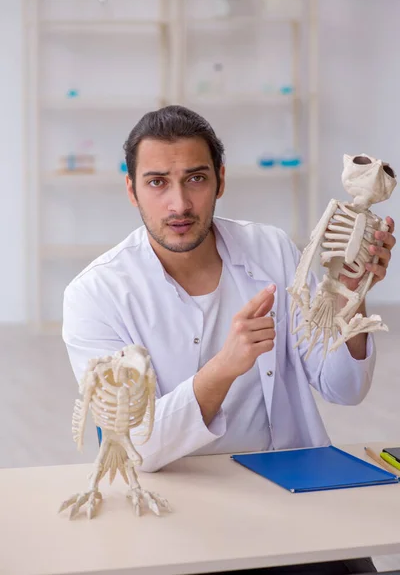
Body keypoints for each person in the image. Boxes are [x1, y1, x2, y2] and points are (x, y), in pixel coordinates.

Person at [63, 105, 395, 575]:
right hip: (178, 514)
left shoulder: (272, 249)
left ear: (220, 180)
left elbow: (344, 388)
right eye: (157, 182)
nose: (178, 204)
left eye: (195, 179)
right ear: (131, 190)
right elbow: (138, 446)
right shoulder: (95, 295)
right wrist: (224, 367)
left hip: (296, 501)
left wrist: (351, 296)